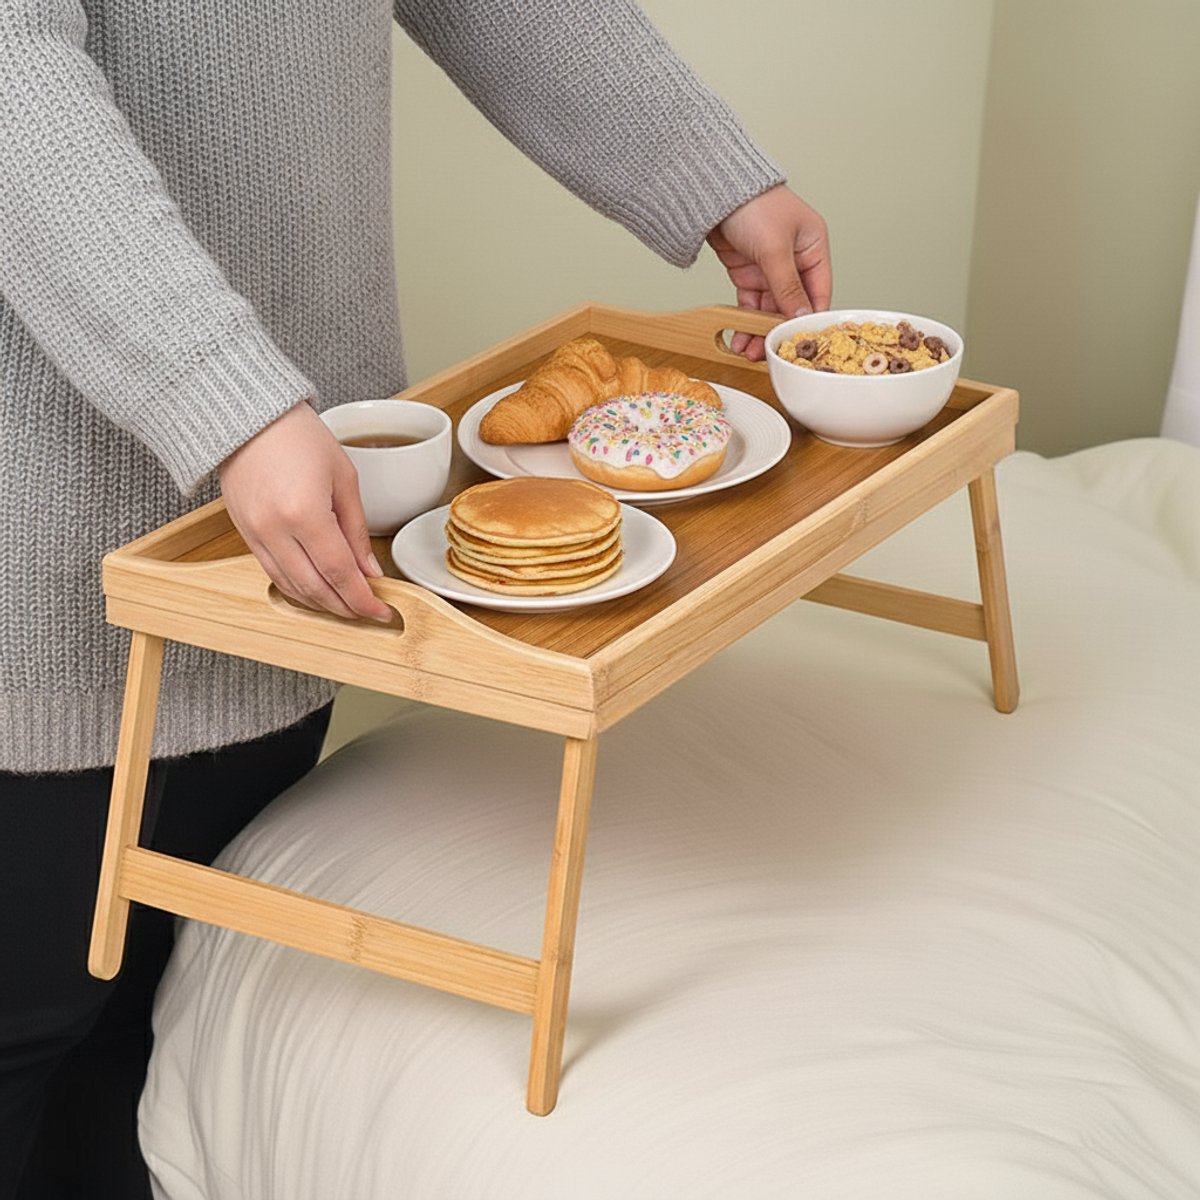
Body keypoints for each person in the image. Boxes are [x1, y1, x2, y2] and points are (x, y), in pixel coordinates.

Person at [0, 0, 831, 1195]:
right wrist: (220, 396)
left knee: (157, 1039)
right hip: (59, 532)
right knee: (27, 1030)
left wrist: (710, 176)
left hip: (299, 512)